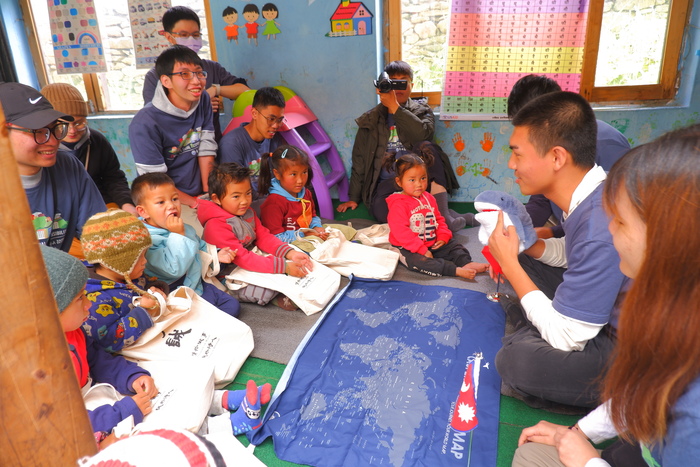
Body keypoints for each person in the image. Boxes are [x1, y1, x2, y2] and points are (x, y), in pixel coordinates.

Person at [512, 125, 700, 467]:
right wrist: (579, 434)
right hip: (636, 445)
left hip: (639, 443)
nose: (610, 227)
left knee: (517, 357)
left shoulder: (693, 413)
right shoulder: (672, 316)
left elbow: (572, 333)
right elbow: (643, 392)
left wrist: (587, 461)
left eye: (622, 222)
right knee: (530, 454)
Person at [487, 91, 628, 409]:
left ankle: (613, 392)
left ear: (557, 157)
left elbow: (567, 336)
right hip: (602, 309)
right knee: (526, 255)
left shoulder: (599, 225)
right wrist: (532, 246)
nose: (511, 164)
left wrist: (508, 264)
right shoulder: (592, 191)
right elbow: (572, 252)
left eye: (517, 154)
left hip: (626, 350)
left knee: (514, 361)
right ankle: (535, 324)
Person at [39, 244, 157, 436]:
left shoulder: (74, 332)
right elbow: (60, 423)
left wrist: (131, 376)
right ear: (49, 312)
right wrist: (122, 412)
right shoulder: (38, 368)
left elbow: (97, 360)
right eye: (80, 299)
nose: (89, 304)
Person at [337, 60, 467, 231]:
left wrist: (395, 108)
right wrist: (354, 196)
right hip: (388, 184)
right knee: (385, 216)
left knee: (428, 147)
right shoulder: (370, 120)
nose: (397, 88)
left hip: (418, 181)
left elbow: (423, 134)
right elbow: (360, 159)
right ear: (381, 87)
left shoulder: (423, 111)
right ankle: (441, 214)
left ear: (411, 85)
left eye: (402, 82)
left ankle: (444, 217)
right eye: (392, 83)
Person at [507, 74, 631, 239]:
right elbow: (541, 198)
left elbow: (613, 221)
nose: (512, 164)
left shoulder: (607, 146)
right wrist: (520, 230)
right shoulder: (546, 146)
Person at [0, 82, 106, 254]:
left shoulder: (68, 166)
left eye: (55, 128)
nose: (54, 141)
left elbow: (100, 235)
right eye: (38, 131)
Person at [197, 163, 313, 310]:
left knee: (292, 256)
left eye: (248, 193)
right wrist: (283, 266)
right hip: (228, 274)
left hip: (250, 258)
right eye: (236, 196)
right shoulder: (216, 226)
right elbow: (243, 258)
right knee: (266, 290)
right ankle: (278, 297)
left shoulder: (247, 212)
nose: (244, 201)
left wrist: (289, 253)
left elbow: (263, 236)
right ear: (217, 199)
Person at [131, 173, 241, 318]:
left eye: (175, 199)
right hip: (174, 291)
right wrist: (177, 235)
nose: (171, 205)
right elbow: (173, 269)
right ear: (143, 211)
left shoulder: (184, 227)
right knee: (198, 317)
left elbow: (200, 246)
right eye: (161, 202)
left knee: (232, 306)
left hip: (195, 282)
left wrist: (216, 254)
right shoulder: (146, 239)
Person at [130, 45, 216, 224]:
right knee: (203, 243)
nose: (196, 81)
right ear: (166, 81)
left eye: (199, 73)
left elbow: (206, 148)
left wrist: (209, 195)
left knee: (236, 229)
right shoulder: (144, 123)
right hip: (167, 201)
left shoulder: (203, 100)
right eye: (184, 74)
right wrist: (194, 203)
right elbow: (157, 184)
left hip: (199, 195)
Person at [142, 5, 250, 141]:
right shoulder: (155, 76)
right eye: (184, 35)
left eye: (196, 35)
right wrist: (201, 106)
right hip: (178, 151)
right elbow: (155, 117)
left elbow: (244, 91)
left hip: (213, 147)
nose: (191, 40)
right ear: (169, 37)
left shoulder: (212, 68)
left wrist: (215, 90)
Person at [386, 150, 488, 280]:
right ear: (399, 182)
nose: (419, 184)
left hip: (431, 241)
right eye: (412, 180)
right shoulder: (398, 204)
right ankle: (454, 270)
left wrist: (443, 236)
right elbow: (402, 233)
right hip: (409, 247)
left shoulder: (429, 198)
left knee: (454, 246)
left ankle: (466, 263)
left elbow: (438, 219)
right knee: (418, 262)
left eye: (423, 178)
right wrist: (421, 249)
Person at [41, 83, 136, 216]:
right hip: (59, 211)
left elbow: (113, 177)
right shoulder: (42, 148)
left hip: (100, 202)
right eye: (63, 125)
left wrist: (126, 203)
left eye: (79, 123)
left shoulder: (97, 140)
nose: (72, 130)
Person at [80, 209, 168, 352]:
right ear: (113, 262)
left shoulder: (128, 275)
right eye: (138, 257)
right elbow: (109, 340)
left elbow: (145, 284)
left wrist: (155, 290)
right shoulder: (94, 300)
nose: (145, 261)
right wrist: (145, 311)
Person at [218, 86, 285, 195]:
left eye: (280, 120)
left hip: (272, 200)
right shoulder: (231, 144)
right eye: (271, 119)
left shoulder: (274, 138)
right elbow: (235, 191)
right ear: (254, 113)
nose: (276, 125)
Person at [258, 145, 328, 242]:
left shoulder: (306, 193)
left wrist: (317, 227)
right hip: (288, 244)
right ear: (277, 174)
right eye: (293, 174)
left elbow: (312, 216)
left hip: (307, 235)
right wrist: (304, 234)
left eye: (304, 172)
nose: (300, 180)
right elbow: (275, 237)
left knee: (341, 233)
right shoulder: (274, 203)